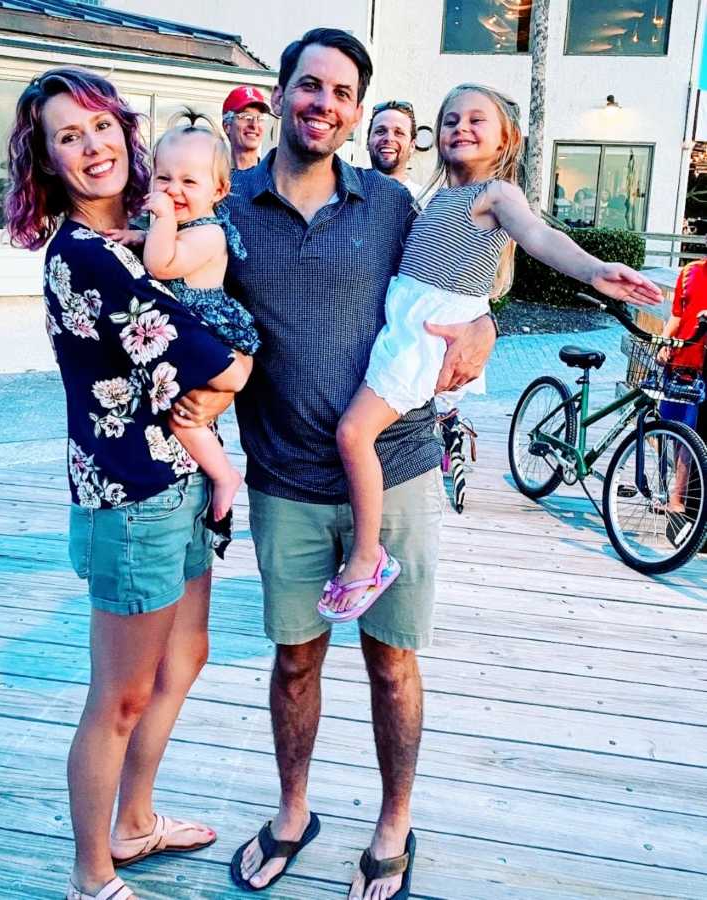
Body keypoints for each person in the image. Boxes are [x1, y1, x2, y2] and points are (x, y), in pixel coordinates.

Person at [171, 28, 493, 900]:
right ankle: (293, 811)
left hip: (404, 467)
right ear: (281, 95)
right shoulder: (225, 212)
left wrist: (482, 324)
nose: (326, 104)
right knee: (295, 662)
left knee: (392, 661)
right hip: (285, 481)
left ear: (358, 110)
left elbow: (468, 274)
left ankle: (395, 820)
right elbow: (178, 302)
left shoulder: (391, 203)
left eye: (344, 92)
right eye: (310, 86)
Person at [3, 66, 253, 900]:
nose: (91, 145)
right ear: (45, 161)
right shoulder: (87, 257)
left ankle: (137, 822)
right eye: (67, 137)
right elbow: (214, 361)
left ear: (124, 130)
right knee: (118, 697)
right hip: (131, 496)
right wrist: (241, 364)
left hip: (180, 481)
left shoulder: (149, 232)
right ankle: (91, 873)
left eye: (100, 126)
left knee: (186, 655)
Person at [325, 83, 662, 623]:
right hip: (405, 324)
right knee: (365, 434)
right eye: (451, 119)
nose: (461, 127)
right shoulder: (436, 196)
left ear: (507, 137)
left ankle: (368, 556)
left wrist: (595, 271)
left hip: (426, 336)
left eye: (477, 120)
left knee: (354, 432)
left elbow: (539, 236)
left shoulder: (497, 194)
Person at [143, 110, 260, 555]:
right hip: (195, 334)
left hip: (211, 334)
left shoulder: (209, 233)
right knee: (185, 413)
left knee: (181, 415)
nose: (172, 190)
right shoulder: (190, 223)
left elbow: (161, 264)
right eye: (163, 177)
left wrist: (159, 220)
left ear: (219, 190)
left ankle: (224, 474)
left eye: (188, 183)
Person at [656, 259, 707, 528]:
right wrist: (664, 342)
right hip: (681, 363)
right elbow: (677, 314)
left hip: (701, 367)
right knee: (672, 430)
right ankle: (671, 494)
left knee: (690, 436)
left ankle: (678, 499)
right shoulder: (689, 272)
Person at [366, 99, 425, 201]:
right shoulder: (344, 197)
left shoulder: (427, 203)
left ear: (412, 145)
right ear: (367, 141)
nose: (389, 138)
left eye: (399, 133)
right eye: (380, 131)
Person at [222, 85, 271, 171]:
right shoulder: (215, 178)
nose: (254, 125)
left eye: (260, 118)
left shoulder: (274, 177)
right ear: (227, 126)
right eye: (246, 117)